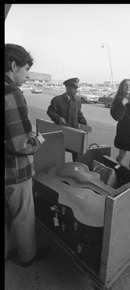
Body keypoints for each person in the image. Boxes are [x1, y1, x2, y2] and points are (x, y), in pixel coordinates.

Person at [5, 44, 50, 267]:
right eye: (26, 70)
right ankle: (27, 256)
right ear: (14, 66)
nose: (27, 75)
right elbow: (20, 144)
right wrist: (37, 141)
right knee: (23, 216)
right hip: (14, 171)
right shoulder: (11, 93)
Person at [47, 78, 87, 161]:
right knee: (59, 156)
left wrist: (85, 127)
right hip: (61, 133)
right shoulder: (57, 100)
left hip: (74, 133)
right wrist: (58, 118)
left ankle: (75, 171)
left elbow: (79, 114)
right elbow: (50, 111)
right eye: (74, 88)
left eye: (77, 89)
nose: (76, 91)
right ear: (67, 88)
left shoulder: (77, 101)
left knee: (77, 156)